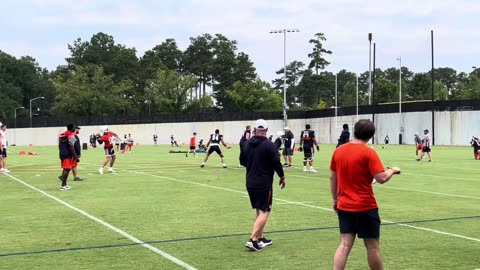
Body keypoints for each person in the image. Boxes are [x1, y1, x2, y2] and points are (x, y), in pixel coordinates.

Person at [330, 119, 401, 270]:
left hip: (345, 205)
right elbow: (381, 178)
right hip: (365, 206)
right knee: (372, 247)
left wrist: (335, 200)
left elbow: (333, 177)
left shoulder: (339, 150)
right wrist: (393, 170)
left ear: (354, 131)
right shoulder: (369, 152)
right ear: (371, 135)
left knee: (344, 245)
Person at [240, 119, 286, 252]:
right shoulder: (269, 145)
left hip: (250, 182)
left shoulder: (247, 144)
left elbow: (242, 161)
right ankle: (253, 239)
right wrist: (282, 177)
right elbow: (276, 163)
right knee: (265, 211)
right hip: (264, 183)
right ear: (266, 130)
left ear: (255, 129)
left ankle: (260, 238)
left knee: (259, 210)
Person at [58, 124, 80, 191]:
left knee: (66, 169)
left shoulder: (62, 135)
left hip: (62, 154)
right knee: (67, 170)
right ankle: (63, 185)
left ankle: (64, 184)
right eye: (74, 127)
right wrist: (76, 157)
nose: (74, 128)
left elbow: (59, 146)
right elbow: (71, 147)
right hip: (68, 155)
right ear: (72, 128)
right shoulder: (71, 136)